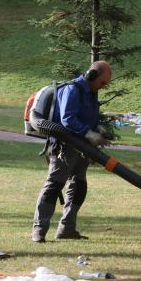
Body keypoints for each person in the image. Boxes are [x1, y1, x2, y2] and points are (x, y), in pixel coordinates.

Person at [31, 61, 112, 242]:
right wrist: (88, 133)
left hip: (82, 147)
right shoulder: (72, 89)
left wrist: (97, 128)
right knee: (54, 185)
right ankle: (39, 230)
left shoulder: (91, 93)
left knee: (79, 185)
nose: (104, 86)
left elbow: (87, 116)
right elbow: (67, 119)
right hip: (65, 145)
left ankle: (67, 228)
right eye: (103, 82)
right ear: (92, 76)